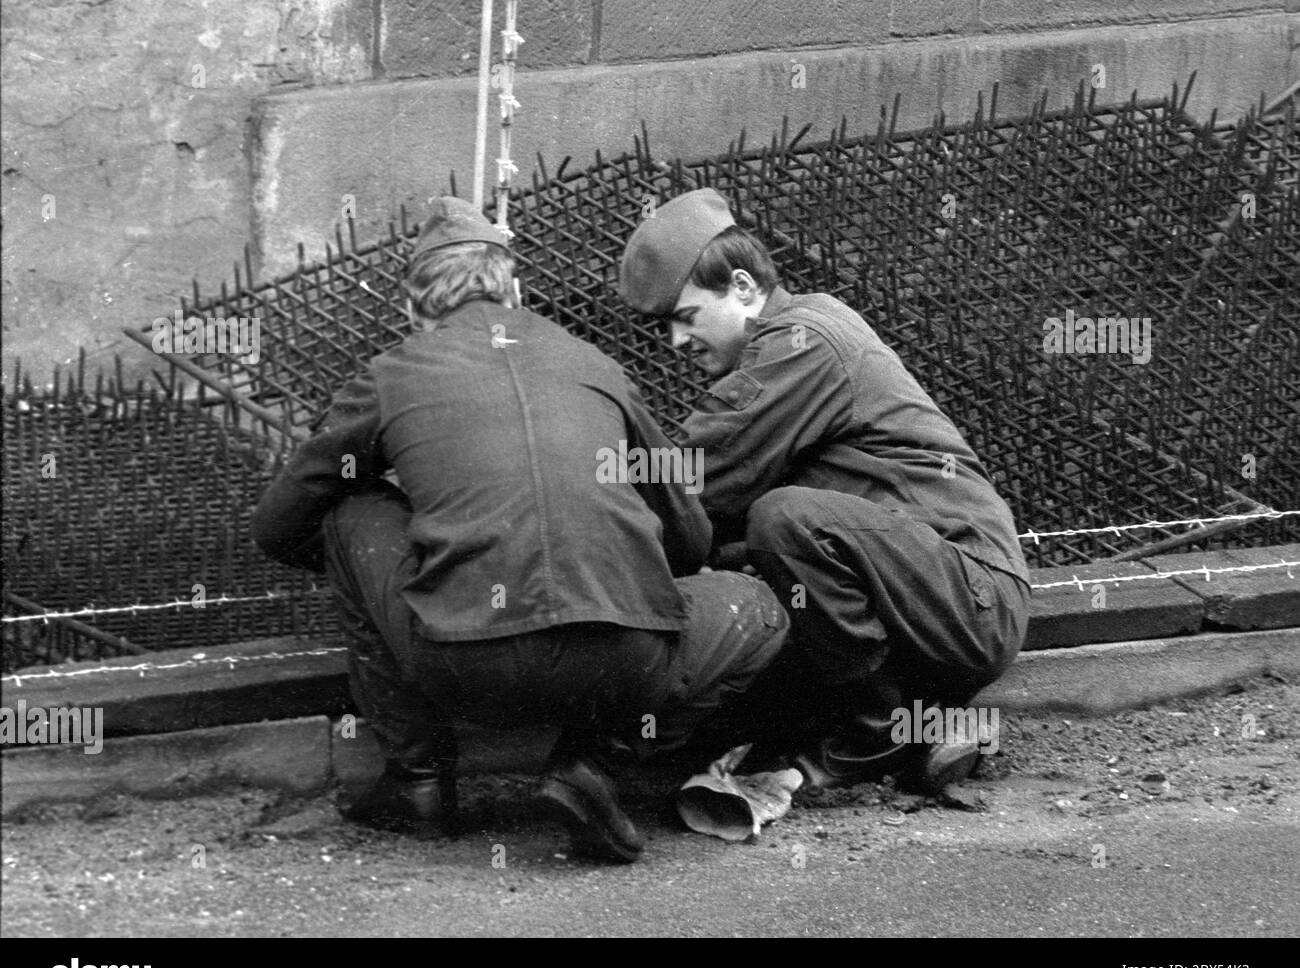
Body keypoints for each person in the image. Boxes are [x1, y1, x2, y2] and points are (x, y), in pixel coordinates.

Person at [251, 197, 788, 863]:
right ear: (514, 289)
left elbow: (278, 525)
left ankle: (419, 782)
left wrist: (419, 553)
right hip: (624, 664)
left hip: (464, 662)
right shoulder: (596, 365)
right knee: (759, 606)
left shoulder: (391, 374)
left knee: (348, 511)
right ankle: (593, 767)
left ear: (414, 312)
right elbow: (687, 532)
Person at [618, 188, 1031, 792]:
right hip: (926, 591)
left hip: (970, 596)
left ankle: (879, 731)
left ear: (740, 286)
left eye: (686, 317)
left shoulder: (802, 343)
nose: (677, 342)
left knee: (783, 521)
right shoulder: (796, 336)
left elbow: (691, 482)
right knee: (748, 563)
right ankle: (923, 722)